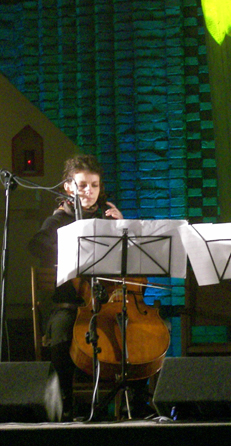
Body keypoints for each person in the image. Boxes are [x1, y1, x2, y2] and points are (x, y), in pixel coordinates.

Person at [28, 155, 126, 419]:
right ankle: (64, 406)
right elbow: (36, 245)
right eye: (82, 185)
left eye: (94, 185)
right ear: (68, 187)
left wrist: (123, 227)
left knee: (132, 331)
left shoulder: (108, 218)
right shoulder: (59, 219)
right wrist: (71, 252)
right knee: (61, 334)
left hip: (106, 305)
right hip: (69, 305)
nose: (89, 191)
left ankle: (134, 405)